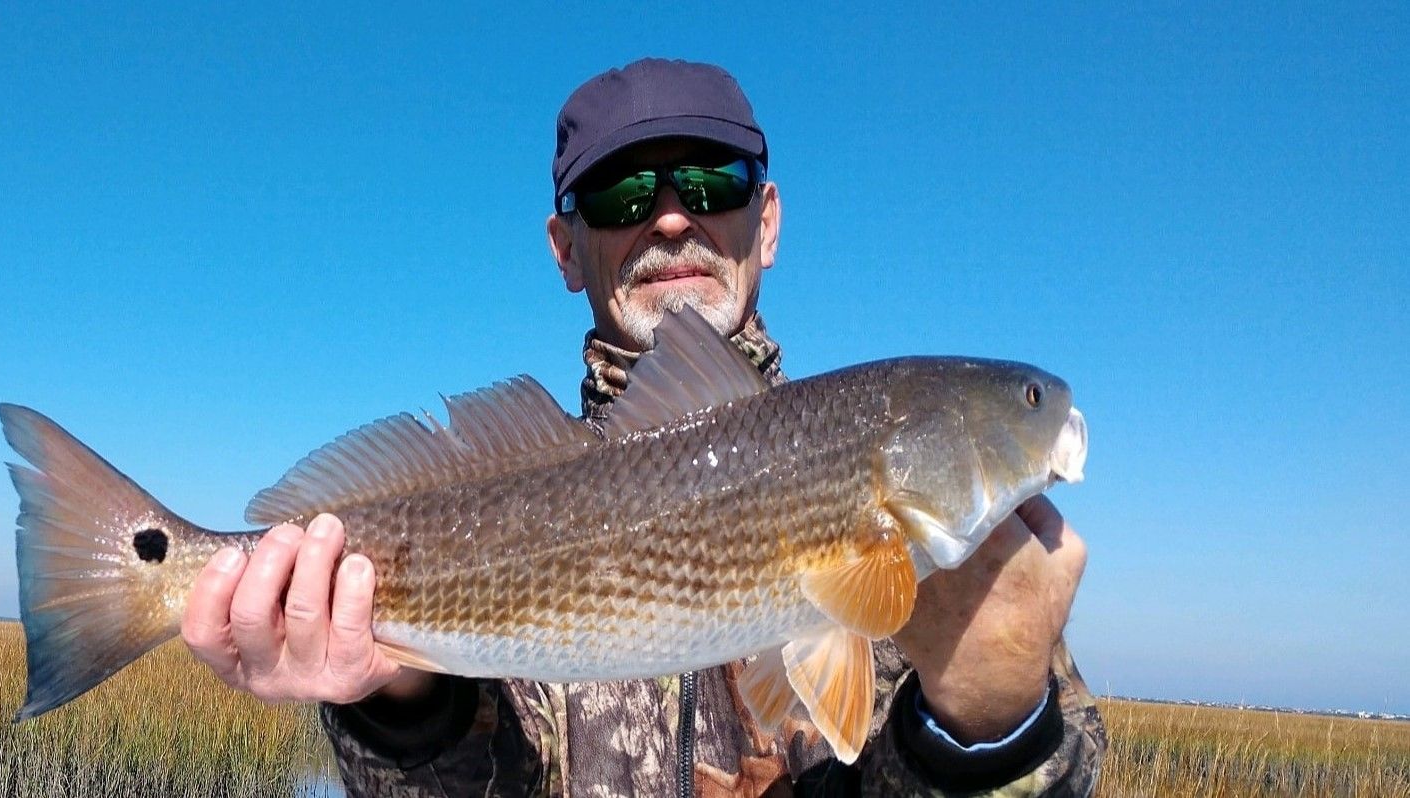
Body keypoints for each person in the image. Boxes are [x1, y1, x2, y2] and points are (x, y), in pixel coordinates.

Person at [182, 58, 1106, 796]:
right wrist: (399, 697)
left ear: (768, 221)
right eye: (622, 195)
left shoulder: (969, 573)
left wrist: (988, 722)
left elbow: (1052, 764)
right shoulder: (498, 482)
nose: (671, 216)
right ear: (565, 250)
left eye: (714, 181)